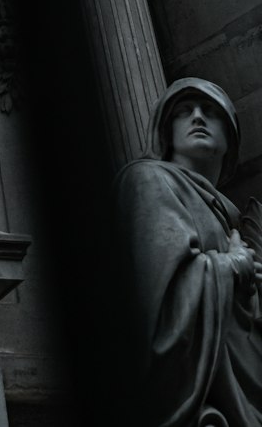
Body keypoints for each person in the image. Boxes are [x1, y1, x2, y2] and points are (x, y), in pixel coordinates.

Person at [116, 78, 262, 427]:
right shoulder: (149, 180)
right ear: (167, 132)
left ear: (230, 138)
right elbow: (157, 301)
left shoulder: (231, 216)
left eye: (211, 111)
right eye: (184, 111)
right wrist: (232, 266)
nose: (197, 117)